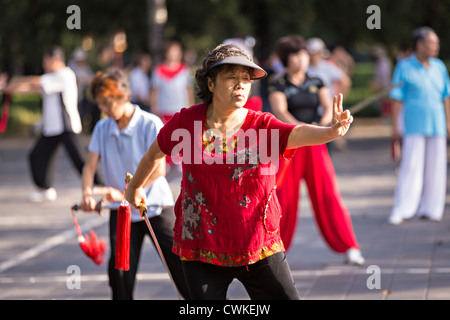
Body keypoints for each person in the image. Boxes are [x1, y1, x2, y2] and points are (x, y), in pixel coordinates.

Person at [125, 44, 353, 300]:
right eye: (232, 77)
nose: (241, 85)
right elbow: (155, 153)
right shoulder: (186, 123)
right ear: (210, 84)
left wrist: (330, 132)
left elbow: (296, 133)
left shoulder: (261, 125)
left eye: (246, 79)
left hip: (258, 243)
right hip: (201, 246)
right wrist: (135, 187)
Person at [80, 68, 190, 300]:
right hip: (122, 212)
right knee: (119, 273)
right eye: (101, 104)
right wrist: (87, 194)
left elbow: (159, 170)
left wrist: (125, 192)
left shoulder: (150, 123)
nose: (105, 109)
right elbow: (89, 166)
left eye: (109, 103)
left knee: (181, 267)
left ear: (124, 95)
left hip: (155, 205)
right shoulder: (102, 127)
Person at [268, 36, 364, 265]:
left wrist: (325, 122)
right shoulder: (278, 84)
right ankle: (273, 251)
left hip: (315, 146)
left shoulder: (316, 80)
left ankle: (349, 246)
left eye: (304, 54)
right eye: (296, 55)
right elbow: (281, 113)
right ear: (285, 59)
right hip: (290, 145)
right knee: (284, 198)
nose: (302, 59)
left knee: (328, 194)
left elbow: (328, 109)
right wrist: (306, 130)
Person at [5, 46, 100, 202]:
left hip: (67, 127)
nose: (44, 63)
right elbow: (31, 87)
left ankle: (100, 184)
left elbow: (36, 81)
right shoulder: (51, 77)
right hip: (52, 129)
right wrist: (9, 88)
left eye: (46, 60)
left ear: (55, 59)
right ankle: (45, 188)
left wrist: (17, 80)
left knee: (81, 160)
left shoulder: (65, 74)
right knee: (37, 156)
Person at [388, 27, 450, 225]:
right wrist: (395, 125)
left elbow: (445, 96)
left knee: (437, 168)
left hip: (437, 124)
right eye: (432, 43)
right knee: (411, 167)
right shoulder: (404, 67)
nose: (436, 47)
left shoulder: (439, 66)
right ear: (420, 44)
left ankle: (432, 209)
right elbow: (396, 99)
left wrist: (448, 121)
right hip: (413, 124)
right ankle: (403, 209)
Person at [150, 40, 194, 123]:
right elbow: (154, 91)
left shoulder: (184, 70)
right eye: (172, 50)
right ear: (166, 52)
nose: (174, 53)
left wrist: (190, 108)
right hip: (164, 111)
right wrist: (154, 108)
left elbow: (189, 90)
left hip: (181, 111)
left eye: (177, 50)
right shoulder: (158, 70)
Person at [68, 48, 99, 133]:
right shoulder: (71, 67)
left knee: (82, 114)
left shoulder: (85, 68)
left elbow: (90, 78)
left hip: (81, 96)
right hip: (72, 97)